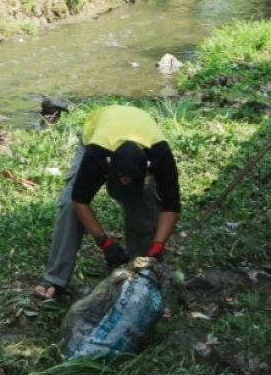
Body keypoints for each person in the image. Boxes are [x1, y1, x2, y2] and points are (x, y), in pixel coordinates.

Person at [33, 105, 180, 300]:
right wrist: (104, 242)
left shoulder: (159, 154)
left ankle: (140, 271)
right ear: (108, 167)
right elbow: (80, 201)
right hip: (99, 134)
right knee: (69, 205)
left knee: (144, 206)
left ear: (147, 171)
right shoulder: (96, 154)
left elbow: (171, 206)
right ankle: (55, 279)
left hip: (141, 133)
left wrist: (158, 245)